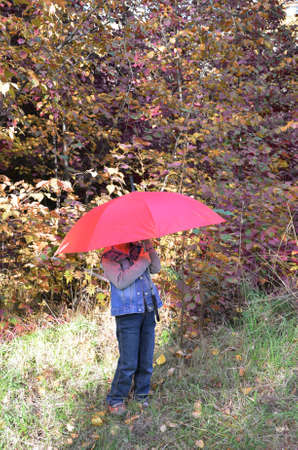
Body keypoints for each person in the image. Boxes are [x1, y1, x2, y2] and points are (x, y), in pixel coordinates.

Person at [101, 239, 162, 415]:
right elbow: (120, 281)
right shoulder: (109, 256)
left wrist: (148, 246)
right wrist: (141, 263)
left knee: (146, 357)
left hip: (148, 308)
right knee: (128, 362)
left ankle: (141, 395)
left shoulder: (139, 248)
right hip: (128, 315)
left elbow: (156, 268)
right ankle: (116, 399)